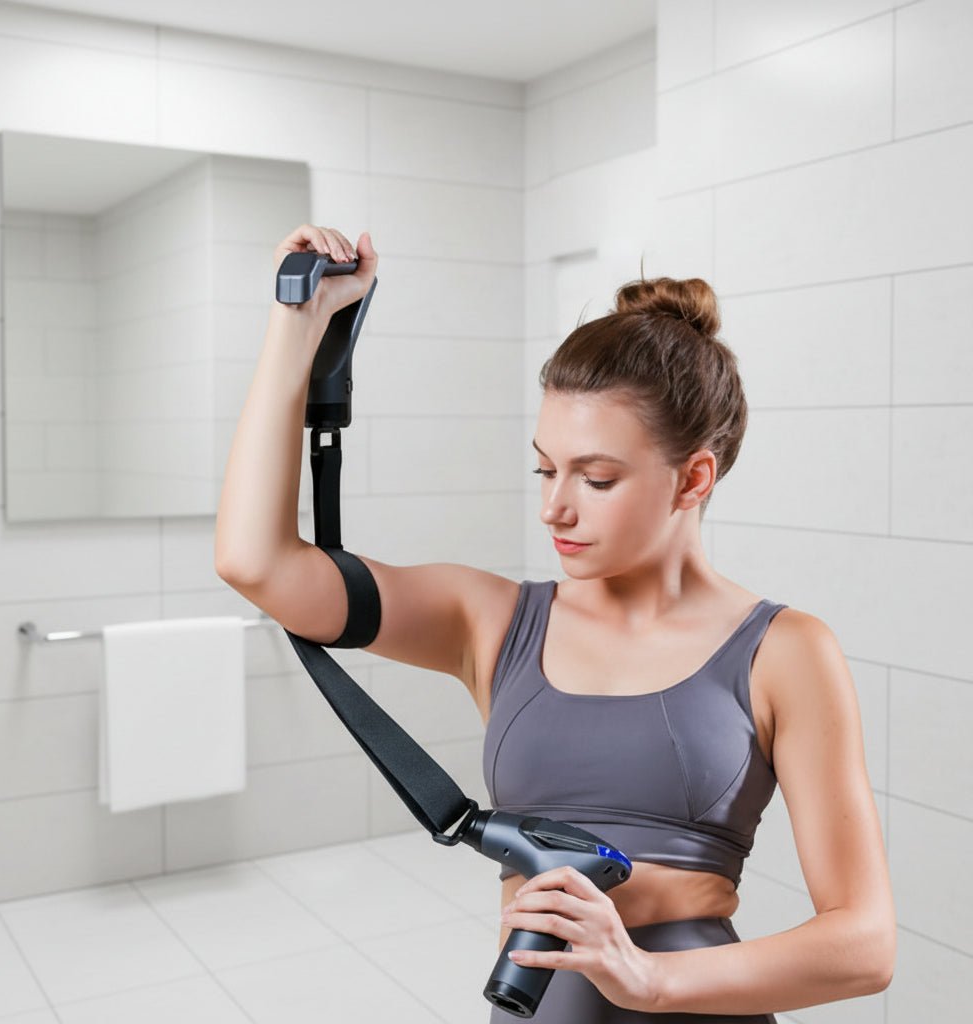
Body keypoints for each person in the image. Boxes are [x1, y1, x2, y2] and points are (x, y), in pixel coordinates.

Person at [215, 224, 896, 1022]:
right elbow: (256, 563)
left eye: (596, 478)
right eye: (545, 468)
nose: (554, 507)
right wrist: (299, 322)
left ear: (694, 478)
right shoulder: (494, 622)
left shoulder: (783, 652)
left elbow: (865, 943)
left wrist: (650, 981)